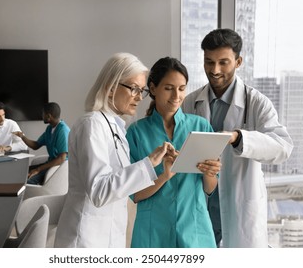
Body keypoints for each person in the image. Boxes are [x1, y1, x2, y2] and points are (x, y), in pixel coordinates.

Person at [182, 28, 293, 248]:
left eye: (223, 62)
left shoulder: (257, 103)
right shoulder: (190, 102)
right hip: (201, 208)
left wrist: (238, 137)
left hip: (239, 208)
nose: (214, 70)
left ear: (238, 61)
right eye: (209, 62)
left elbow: (283, 147)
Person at [54, 52, 176, 248]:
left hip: (108, 234)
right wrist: (149, 162)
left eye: (142, 91)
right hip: (85, 238)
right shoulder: (92, 124)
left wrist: (161, 171)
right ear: (111, 88)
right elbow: (100, 191)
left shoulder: (116, 128)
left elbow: (120, 185)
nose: (139, 97)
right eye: (134, 89)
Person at [126, 57, 221, 248]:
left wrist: (209, 172)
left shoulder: (200, 126)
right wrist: (164, 176)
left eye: (181, 88)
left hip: (194, 229)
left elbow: (209, 188)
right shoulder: (136, 132)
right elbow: (135, 194)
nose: (176, 95)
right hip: (153, 232)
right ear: (153, 89)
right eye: (169, 88)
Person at [12, 102, 70, 185]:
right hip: (49, 164)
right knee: (21, 172)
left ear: (49, 116)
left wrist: (38, 169)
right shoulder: (49, 129)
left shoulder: (63, 131)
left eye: (43, 114)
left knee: (25, 180)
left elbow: (61, 159)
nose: (42, 116)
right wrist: (22, 136)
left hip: (57, 168)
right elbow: (35, 145)